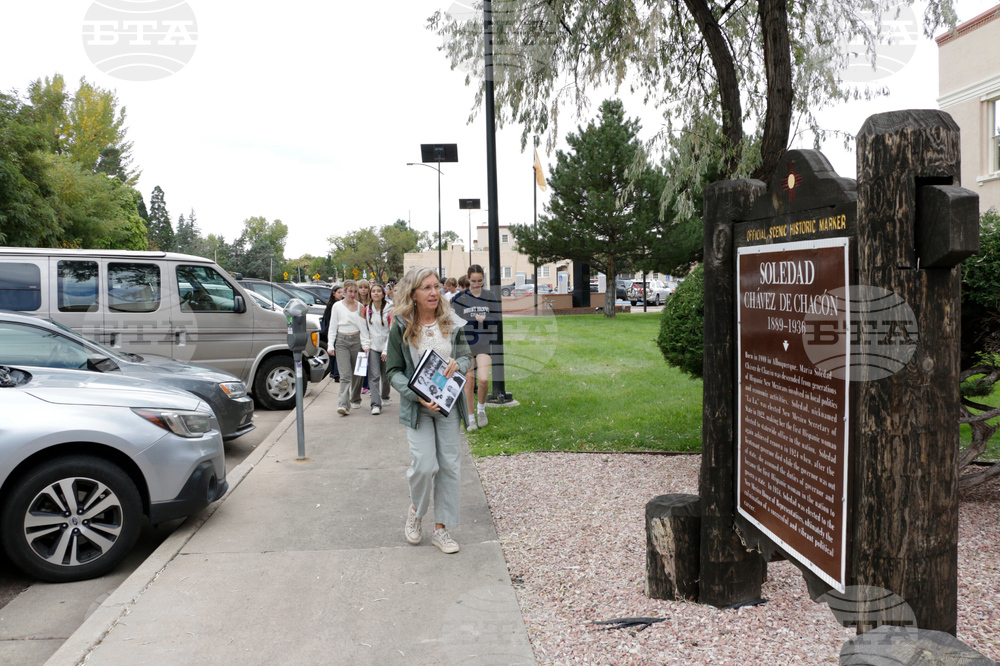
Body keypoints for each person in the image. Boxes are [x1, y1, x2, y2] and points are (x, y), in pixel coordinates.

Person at [386, 267, 472, 554]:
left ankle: (441, 529)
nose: (434, 292)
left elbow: (466, 356)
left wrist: (459, 363)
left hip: (448, 408)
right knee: (423, 465)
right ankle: (416, 511)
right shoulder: (400, 326)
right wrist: (414, 394)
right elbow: (394, 371)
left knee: (449, 466)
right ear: (413, 294)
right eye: (427, 288)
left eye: (436, 286)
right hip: (418, 408)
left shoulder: (452, 322)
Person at [450, 264, 500, 431]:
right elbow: (452, 321)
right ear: (468, 279)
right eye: (473, 281)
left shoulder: (490, 296)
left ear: (483, 280)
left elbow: (497, 321)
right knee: (469, 381)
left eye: (480, 281)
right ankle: (470, 418)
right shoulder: (460, 298)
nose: (476, 284)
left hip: (484, 343)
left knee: (484, 380)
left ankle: (481, 409)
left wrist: (485, 320)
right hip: (466, 344)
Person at [326, 280, 369, 415]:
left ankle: (355, 398)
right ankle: (343, 405)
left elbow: (364, 328)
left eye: (355, 292)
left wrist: (366, 345)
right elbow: (332, 326)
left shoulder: (360, 307)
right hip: (342, 341)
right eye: (350, 291)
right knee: (345, 375)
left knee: (358, 373)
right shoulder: (337, 306)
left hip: (357, 340)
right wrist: (330, 344)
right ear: (345, 291)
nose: (353, 294)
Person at [364, 282, 393, 414]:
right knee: (374, 375)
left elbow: (391, 331)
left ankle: (385, 396)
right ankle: (376, 404)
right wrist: (366, 345)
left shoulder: (390, 308)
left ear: (383, 294)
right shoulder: (367, 309)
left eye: (378, 291)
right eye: (373, 291)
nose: (376, 293)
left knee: (386, 375)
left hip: (387, 344)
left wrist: (386, 350)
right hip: (373, 346)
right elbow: (365, 329)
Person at [320, 284, 344, 382]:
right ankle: (335, 373)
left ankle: (334, 372)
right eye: (339, 292)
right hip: (333, 332)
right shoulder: (332, 306)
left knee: (335, 355)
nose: (341, 294)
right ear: (333, 294)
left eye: (342, 292)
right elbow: (329, 321)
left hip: (335, 331)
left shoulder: (340, 304)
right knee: (335, 354)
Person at [357, 279, 373, 394]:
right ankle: (363, 384)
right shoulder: (355, 303)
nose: (363, 290)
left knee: (372, 361)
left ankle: (371, 384)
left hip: (371, 334)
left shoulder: (372, 302)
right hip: (358, 334)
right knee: (361, 359)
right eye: (361, 287)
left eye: (365, 287)